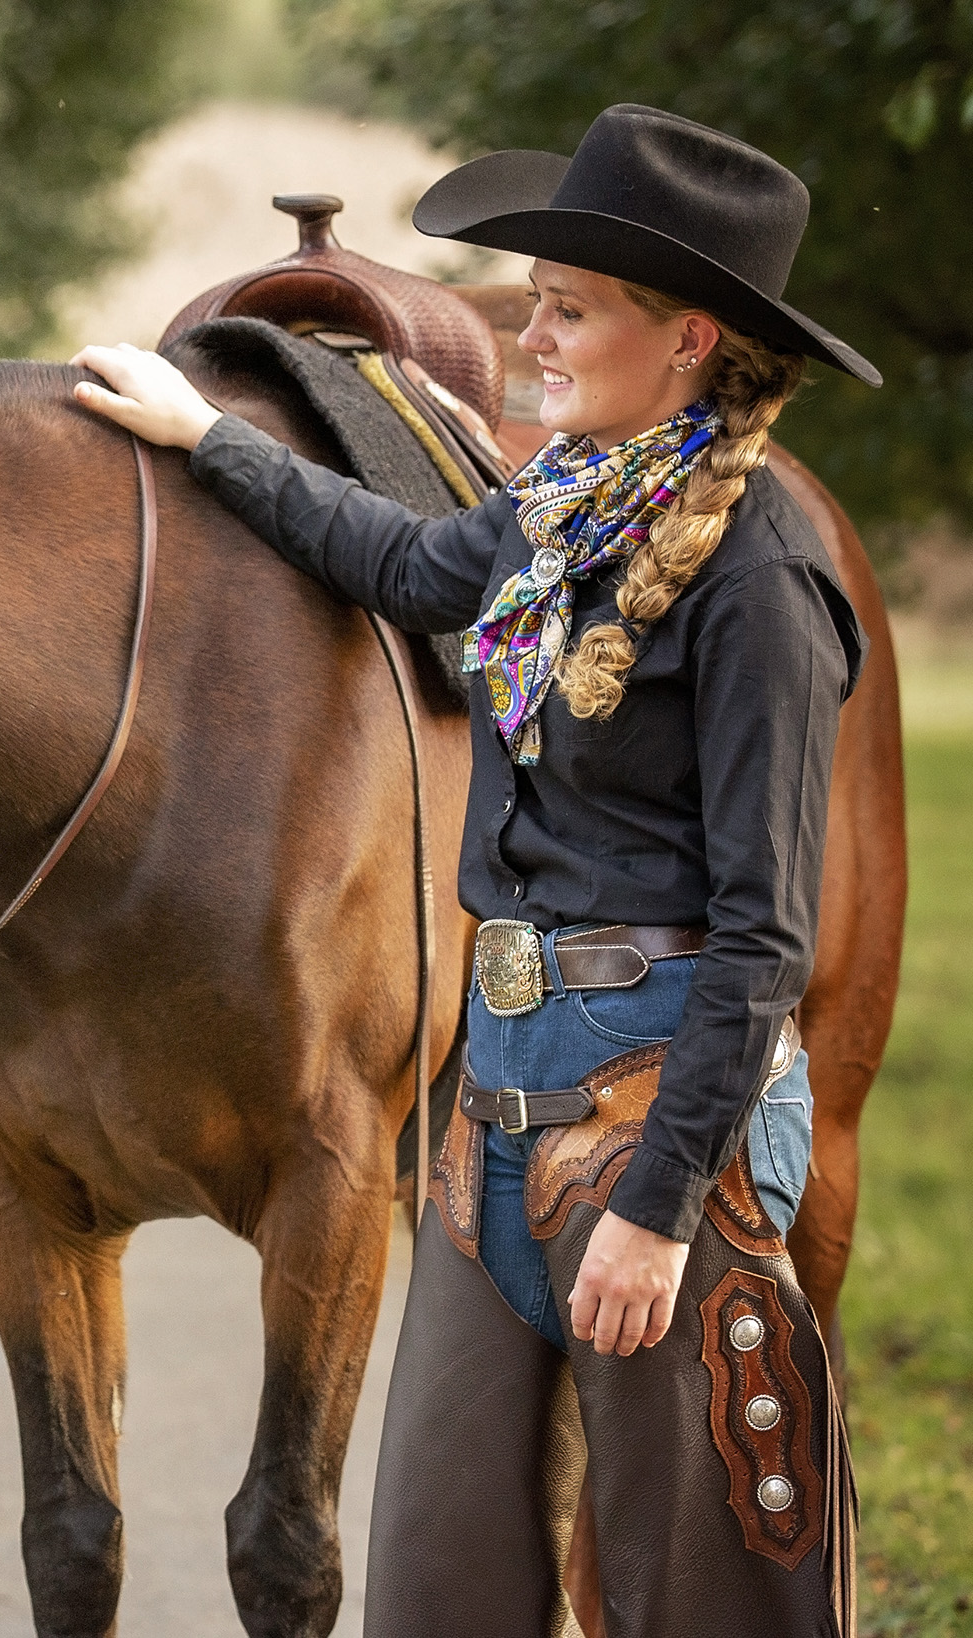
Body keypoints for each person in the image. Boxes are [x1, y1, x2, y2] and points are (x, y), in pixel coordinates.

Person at [70, 104, 873, 1636]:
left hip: (659, 1126)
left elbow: (769, 935)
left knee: (705, 1593)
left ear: (690, 338)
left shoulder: (762, 577)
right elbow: (400, 562)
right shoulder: (560, 508)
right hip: (488, 1110)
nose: (534, 329)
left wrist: (656, 1203)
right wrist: (206, 437)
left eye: (570, 306)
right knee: (440, 1573)